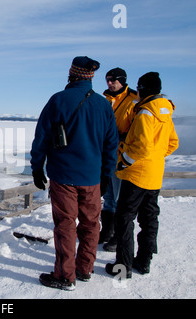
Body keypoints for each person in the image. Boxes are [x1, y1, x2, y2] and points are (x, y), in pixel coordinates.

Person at [30, 56, 118, 290]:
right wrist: (107, 175)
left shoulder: (58, 100)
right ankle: (85, 269)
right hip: (92, 178)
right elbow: (111, 145)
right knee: (91, 224)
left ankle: (64, 276)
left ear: (72, 74)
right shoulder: (104, 105)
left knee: (66, 225)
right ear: (90, 77)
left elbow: (41, 138)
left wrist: (37, 167)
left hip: (64, 177)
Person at [106, 72, 179, 278]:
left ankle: (123, 267)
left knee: (124, 219)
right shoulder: (165, 111)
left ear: (143, 89)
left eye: (139, 87)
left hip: (136, 175)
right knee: (149, 219)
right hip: (155, 175)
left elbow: (141, 146)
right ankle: (144, 262)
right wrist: (155, 158)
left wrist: (124, 162)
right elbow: (173, 143)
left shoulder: (145, 112)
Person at [99, 68, 137, 251]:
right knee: (107, 195)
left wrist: (120, 137)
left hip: (122, 156)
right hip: (105, 154)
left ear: (122, 80)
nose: (110, 83)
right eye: (107, 79)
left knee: (119, 197)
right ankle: (107, 231)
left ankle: (117, 236)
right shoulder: (104, 99)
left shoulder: (134, 100)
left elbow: (139, 129)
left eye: (113, 80)